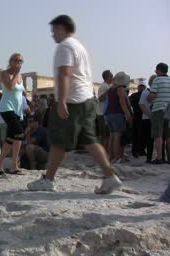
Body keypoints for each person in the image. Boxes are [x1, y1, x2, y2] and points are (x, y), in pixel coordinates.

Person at [27, 15, 122, 194]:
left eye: (54, 30)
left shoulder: (65, 46)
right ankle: (110, 177)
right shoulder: (80, 46)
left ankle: (48, 180)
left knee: (58, 140)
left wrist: (61, 100)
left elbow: (65, 74)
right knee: (90, 141)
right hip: (86, 99)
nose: (52, 34)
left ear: (63, 28)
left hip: (72, 100)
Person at [0, 53, 26, 175]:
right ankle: (13, 165)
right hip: (6, 108)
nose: (19, 63)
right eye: (16, 60)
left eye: (21, 61)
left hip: (17, 110)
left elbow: (20, 94)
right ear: (10, 61)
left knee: (12, 138)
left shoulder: (21, 75)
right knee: (19, 134)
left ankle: (0, 165)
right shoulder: (4, 73)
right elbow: (10, 87)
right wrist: (16, 73)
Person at [106, 72, 132, 163]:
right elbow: (122, 103)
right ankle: (117, 157)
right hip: (118, 114)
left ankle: (110, 156)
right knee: (117, 136)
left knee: (112, 136)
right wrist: (127, 114)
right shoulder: (120, 89)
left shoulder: (110, 89)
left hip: (109, 114)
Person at [147, 63, 170, 164]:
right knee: (168, 135)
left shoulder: (156, 80)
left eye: (156, 70)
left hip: (159, 109)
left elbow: (152, 95)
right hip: (168, 109)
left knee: (158, 135)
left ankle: (159, 158)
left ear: (159, 70)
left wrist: (149, 99)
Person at [96, 70, 113, 149]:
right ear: (108, 77)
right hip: (102, 114)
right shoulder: (104, 86)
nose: (112, 77)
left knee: (105, 135)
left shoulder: (106, 86)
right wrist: (109, 91)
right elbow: (100, 99)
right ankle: (104, 152)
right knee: (105, 135)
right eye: (111, 76)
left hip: (103, 113)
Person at [139, 78, 154, 163]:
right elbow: (141, 105)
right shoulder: (146, 92)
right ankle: (149, 157)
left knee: (150, 139)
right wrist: (150, 114)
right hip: (147, 119)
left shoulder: (147, 92)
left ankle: (149, 157)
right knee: (149, 139)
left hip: (148, 118)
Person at [130, 82, 146, 157]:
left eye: (142, 86)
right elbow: (129, 104)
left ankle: (142, 150)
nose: (141, 88)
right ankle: (135, 151)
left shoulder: (146, 95)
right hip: (136, 116)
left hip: (144, 117)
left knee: (143, 135)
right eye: (140, 86)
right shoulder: (134, 95)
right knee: (135, 134)